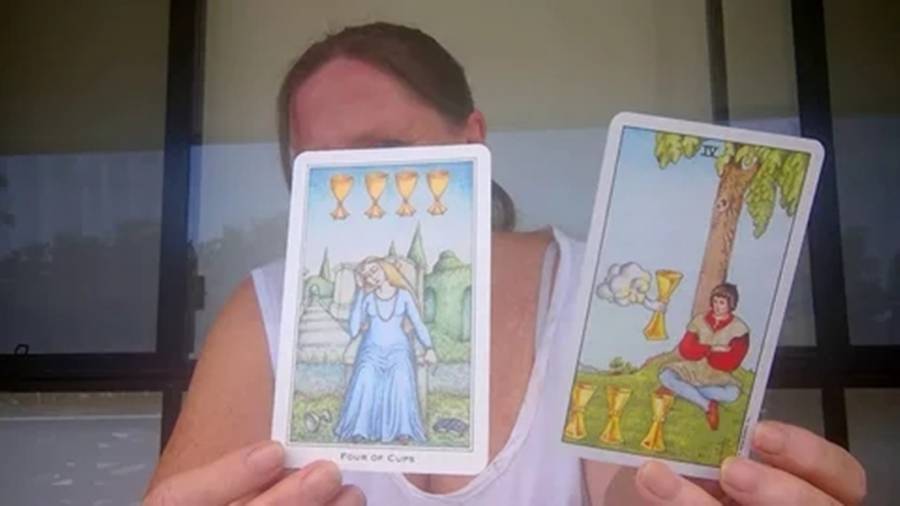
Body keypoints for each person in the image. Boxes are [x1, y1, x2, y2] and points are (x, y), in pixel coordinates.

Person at [144, 22, 866, 505]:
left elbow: (636, 490)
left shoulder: (590, 290)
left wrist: (685, 495)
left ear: (472, 140)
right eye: (317, 170)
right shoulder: (269, 310)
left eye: (386, 152)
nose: (357, 190)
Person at [335, 257, 436, 443]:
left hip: (398, 350)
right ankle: (360, 429)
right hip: (371, 351)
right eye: (367, 275)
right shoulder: (367, 298)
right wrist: (360, 292)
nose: (372, 277)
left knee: (400, 378)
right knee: (365, 377)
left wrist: (429, 347)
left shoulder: (403, 296)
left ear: (385, 268)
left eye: (374, 270)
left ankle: (403, 429)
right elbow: (354, 330)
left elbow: (418, 323)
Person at [658, 283, 748, 431]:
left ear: (731, 304)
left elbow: (732, 361)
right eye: (715, 301)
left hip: (717, 375)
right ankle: (707, 405)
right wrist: (711, 349)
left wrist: (703, 351)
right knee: (665, 375)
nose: (717, 306)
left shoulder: (739, 329)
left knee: (732, 394)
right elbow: (686, 349)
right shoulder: (699, 320)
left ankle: (683, 390)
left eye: (722, 303)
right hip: (692, 368)